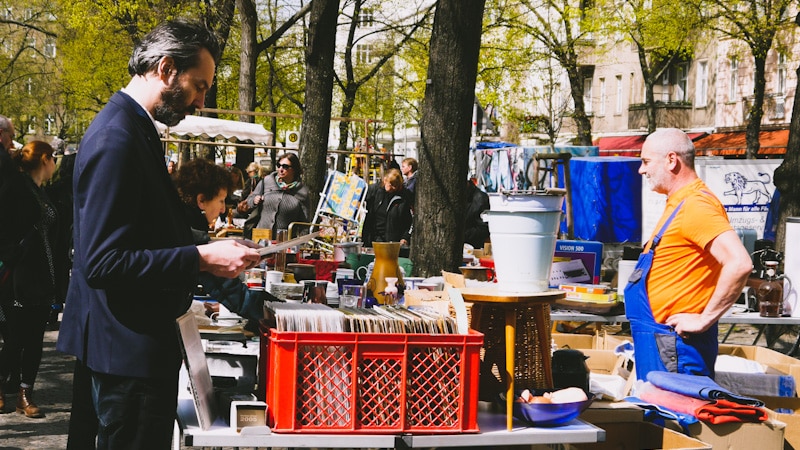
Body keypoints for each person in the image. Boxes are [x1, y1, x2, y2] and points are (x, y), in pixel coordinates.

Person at [55, 20, 261, 449]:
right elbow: (103, 261)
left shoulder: (132, 128)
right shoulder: (118, 137)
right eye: (198, 86)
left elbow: (138, 230)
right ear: (166, 69)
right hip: (126, 353)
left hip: (126, 346)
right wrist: (202, 257)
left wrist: (207, 247)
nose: (202, 101)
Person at [625, 128, 752, 381]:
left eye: (646, 161)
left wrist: (704, 319)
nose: (641, 170)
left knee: (675, 420)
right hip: (662, 343)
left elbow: (739, 263)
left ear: (672, 160)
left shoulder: (696, 205)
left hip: (677, 349)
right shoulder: (679, 202)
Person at [0, 141, 59, 418]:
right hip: (20, 275)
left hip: (41, 273)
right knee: (16, 337)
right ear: (45, 158)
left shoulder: (41, 191)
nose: (55, 164)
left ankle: (25, 393)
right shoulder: (17, 187)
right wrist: (11, 254)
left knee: (35, 337)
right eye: (53, 158)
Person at [246, 152, 309, 235]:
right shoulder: (267, 181)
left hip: (284, 240)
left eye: (285, 167)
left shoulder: (302, 191)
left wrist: (301, 243)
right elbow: (249, 200)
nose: (280, 169)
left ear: (294, 169)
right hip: (261, 235)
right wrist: (254, 200)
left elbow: (304, 223)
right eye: (279, 165)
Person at [361, 168, 413, 247]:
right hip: (372, 239)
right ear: (385, 181)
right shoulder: (374, 191)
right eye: (391, 184)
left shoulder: (403, 197)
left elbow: (408, 221)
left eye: (396, 185)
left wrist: (405, 237)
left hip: (392, 242)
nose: (393, 188)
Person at [464, 179, 490, 250]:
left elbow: (484, 229)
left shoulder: (480, 199)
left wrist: (462, 233)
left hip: (474, 247)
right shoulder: (461, 196)